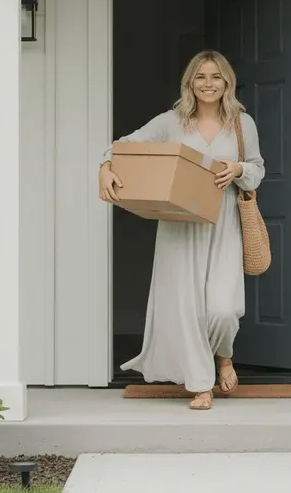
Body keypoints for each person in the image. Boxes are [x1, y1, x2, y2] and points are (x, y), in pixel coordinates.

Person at [98, 50, 265, 411]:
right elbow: (124, 144)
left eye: (216, 76)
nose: (208, 84)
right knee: (186, 309)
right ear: (190, 82)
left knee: (223, 308)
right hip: (178, 226)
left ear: (227, 82)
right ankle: (201, 385)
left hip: (223, 226)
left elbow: (257, 169)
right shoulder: (172, 121)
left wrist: (236, 170)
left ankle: (224, 354)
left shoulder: (241, 123)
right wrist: (106, 166)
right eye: (200, 77)